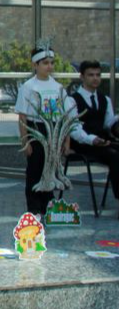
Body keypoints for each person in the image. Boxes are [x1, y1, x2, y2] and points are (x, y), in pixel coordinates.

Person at [15, 39, 70, 217]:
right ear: (35, 64)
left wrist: (65, 140)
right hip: (35, 129)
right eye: (45, 63)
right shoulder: (28, 87)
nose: (49, 66)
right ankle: (34, 208)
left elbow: (64, 115)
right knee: (35, 169)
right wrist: (26, 142)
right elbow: (22, 116)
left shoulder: (57, 87)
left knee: (51, 168)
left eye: (51, 63)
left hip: (52, 131)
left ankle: (48, 205)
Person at [69, 61, 119, 209]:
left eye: (98, 75)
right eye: (91, 75)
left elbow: (108, 124)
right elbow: (74, 129)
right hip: (82, 144)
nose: (95, 78)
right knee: (116, 156)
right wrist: (92, 140)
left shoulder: (105, 100)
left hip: (102, 141)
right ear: (82, 77)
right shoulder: (72, 100)